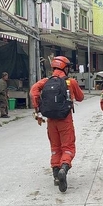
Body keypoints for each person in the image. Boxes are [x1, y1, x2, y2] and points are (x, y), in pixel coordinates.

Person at [30, 56, 84, 193]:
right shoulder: (70, 82)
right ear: (65, 68)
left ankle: (55, 174)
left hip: (51, 120)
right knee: (68, 146)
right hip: (65, 119)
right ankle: (64, 168)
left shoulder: (45, 82)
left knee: (55, 147)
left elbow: (33, 91)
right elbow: (80, 97)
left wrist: (38, 108)